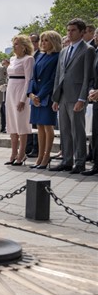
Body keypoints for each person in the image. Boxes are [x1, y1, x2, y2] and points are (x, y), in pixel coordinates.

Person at [50, 18, 96, 174]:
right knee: (65, 131)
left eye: (73, 30)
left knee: (78, 131)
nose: (69, 33)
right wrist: (56, 98)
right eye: (68, 30)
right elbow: (58, 75)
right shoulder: (64, 51)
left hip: (77, 97)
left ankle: (80, 162)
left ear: (82, 32)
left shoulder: (87, 50)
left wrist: (82, 98)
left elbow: (87, 76)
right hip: (62, 97)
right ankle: (67, 161)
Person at [27, 31, 62, 169]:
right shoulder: (40, 56)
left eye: (46, 40)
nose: (42, 43)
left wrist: (40, 96)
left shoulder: (57, 57)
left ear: (54, 42)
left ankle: (47, 156)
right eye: (42, 40)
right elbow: (33, 77)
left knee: (48, 127)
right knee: (39, 127)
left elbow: (53, 79)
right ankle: (40, 156)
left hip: (47, 96)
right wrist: (30, 93)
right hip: (36, 96)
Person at [4, 35, 34, 166]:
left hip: (20, 91)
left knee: (21, 123)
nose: (14, 46)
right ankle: (13, 153)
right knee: (11, 123)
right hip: (10, 90)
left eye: (17, 44)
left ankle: (22, 153)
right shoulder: (12, 59)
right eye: (14, 44)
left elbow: (28, 79)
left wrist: (23, 98)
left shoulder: (28, 59)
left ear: (24, 46)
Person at [83, 34, 98, 176]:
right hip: (96, 100)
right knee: (96, 133)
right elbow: (92, 77)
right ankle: (96, 165)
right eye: (96, 35)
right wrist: (92, 90)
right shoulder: (96, 52)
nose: (96, 37)